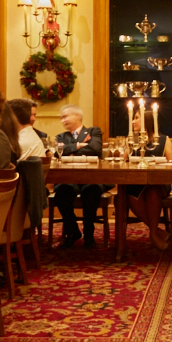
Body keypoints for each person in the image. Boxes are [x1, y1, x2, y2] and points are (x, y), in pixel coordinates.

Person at [53, 104, 107, 248]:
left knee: (91, 191)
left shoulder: (93, 131)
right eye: (61, 118)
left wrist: (69, 151)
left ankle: (89, 234)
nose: (62, 120)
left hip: (91, 177)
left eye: (65, 116)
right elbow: (57, 152)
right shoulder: (61, 136)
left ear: (77, 116)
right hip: (68, 178)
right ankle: (73, 231)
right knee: (61, 192)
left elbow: (95, 149)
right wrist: (78, 146)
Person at [123, 109, 172, 251]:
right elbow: (123, 162)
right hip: (136, 183)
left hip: (159, 182)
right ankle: (156, 232)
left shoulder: (164, 140)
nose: (133, 122)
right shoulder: (131, 140)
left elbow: (171, 164)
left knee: (152, 191)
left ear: (147, 121)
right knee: (130, 195)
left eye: (136, 118)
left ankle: (154, 234)